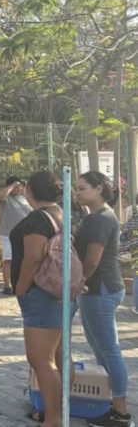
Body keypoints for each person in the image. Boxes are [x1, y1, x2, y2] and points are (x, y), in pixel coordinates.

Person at [10, 171, 72, 426]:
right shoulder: (61, 212)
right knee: (59, 356)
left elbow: (33, 257)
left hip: (41, 293)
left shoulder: (38, 218)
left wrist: (21, 288)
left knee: (41, 359)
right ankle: (59, 411)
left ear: (30, 190)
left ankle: (54, 419)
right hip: (58, 292)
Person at [74, 171, 133, 427]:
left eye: (82, 188)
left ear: (99, 189)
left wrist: (78, 283)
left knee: (109, 349)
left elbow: (92, 260)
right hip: (97, 289)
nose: (77, 193)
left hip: (101, 289)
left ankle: (120, 412)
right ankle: (110, 402)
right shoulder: (94, 217)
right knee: (101, 348)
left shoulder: (102, 218)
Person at [0, 177, 31, 295]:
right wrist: (12, 185)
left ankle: (22, 284)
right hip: (8, 234)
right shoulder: (6, 199)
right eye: (16, 187)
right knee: (8, 260)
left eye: (19, 186)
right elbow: (0, 196)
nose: (18, 189)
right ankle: (7, 286)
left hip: (24, 234)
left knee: (24, 260)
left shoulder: (24, 198)